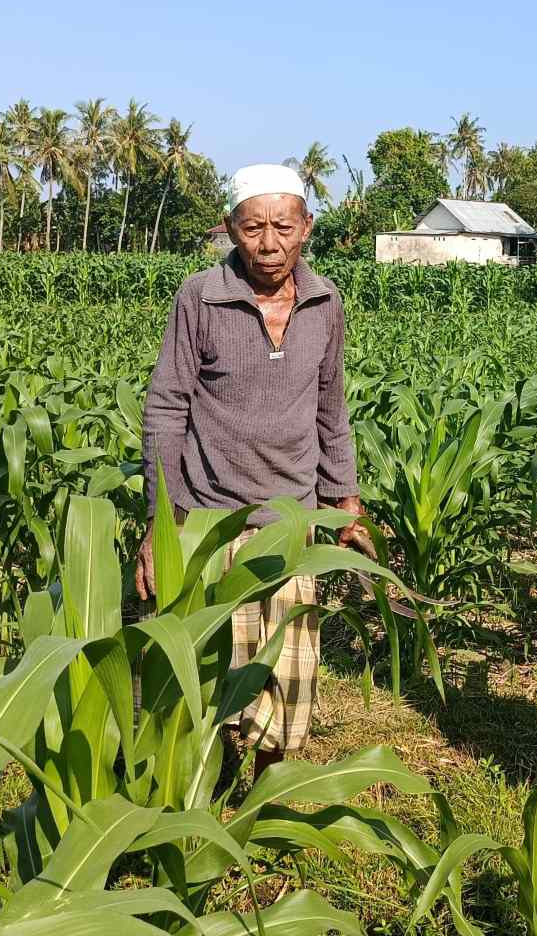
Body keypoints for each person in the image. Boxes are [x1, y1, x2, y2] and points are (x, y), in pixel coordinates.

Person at [135, 162, 376, 780]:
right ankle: (202, 785)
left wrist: (345, 498)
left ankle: (262, 798)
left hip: (292, 522)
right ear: (230, 230)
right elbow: (167, 407)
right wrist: (162, 520)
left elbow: (330, 406)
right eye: (253, 228)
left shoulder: (325, 301)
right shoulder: (201, 297)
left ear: (307, 228)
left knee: (288, 676)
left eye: (284, 228)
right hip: (213, 519)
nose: (269, 245)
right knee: (211, 675)